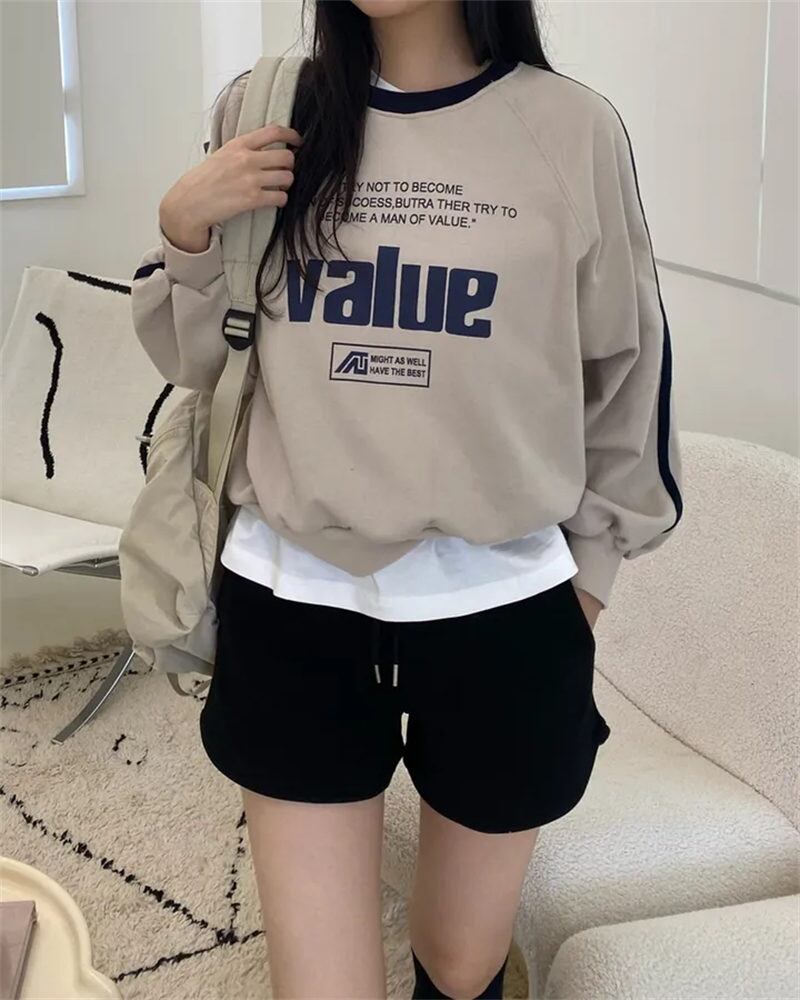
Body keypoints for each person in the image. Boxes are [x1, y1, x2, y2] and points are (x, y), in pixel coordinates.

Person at [130, 1, 684, 996]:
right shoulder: (266, 109)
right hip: (292, 594)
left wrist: (587, 582)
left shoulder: (572, 130)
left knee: (462, 964)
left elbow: (627, 374)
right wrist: (185, 230)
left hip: (502, 605)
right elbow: (200, 362)